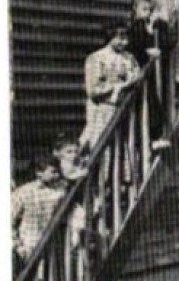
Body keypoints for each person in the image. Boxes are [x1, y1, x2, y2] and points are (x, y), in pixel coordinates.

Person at [80, 24, 140, 152]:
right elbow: (93, 89)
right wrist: (117, 86)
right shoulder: (96, 58)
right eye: (120, 38)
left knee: (122, 146)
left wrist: (131, 80)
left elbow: (136, 75)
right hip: (102, 108)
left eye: (126, 39)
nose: (124, 42)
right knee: (100, 143)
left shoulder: (129, 58)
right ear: (110, 37)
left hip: (123, 107)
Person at [13, 156, 66, 263]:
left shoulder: (62, 190)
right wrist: (17, 245)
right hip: (30, 245)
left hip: (55, 246)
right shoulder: (24, 192)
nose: (57, 175)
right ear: (39, 173)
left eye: (58, 171)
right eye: (53, 172)